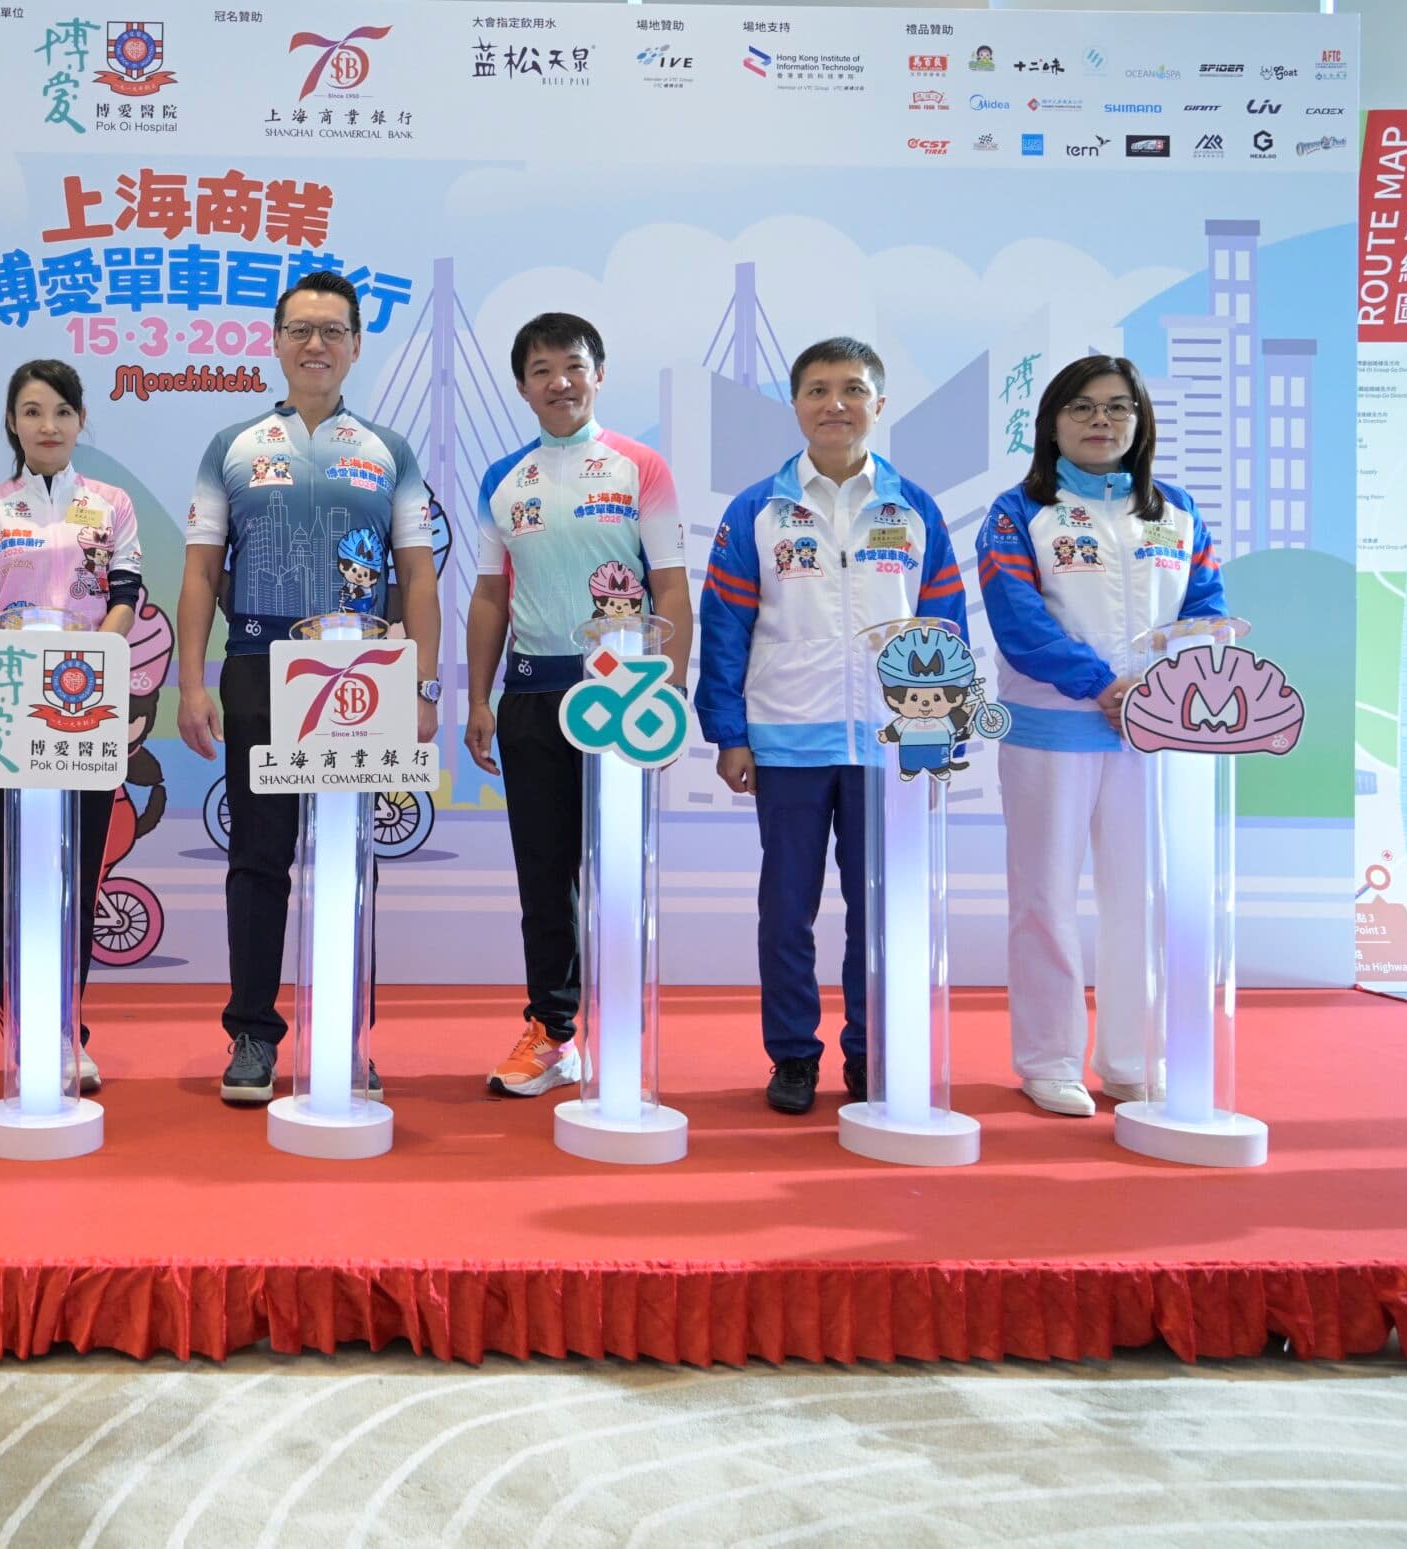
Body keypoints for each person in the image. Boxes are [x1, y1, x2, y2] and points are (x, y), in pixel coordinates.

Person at [174, 270, 442, 1104]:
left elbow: (418, 577)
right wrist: (190, 683)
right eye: (300, 329)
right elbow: (200, 572)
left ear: (356, 345)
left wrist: (425, 685)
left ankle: (346, 1038)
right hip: (258, 666)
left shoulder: (389, 451)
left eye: (332, 330)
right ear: (276, 341)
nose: (316, 344)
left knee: (349, 857)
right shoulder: (233, 445)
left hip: (362, 675)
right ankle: (253, 1034)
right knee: (258, 858)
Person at [694, 338, 968, 1116]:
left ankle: (869, 1049)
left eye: (852, 388)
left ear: (879, 404)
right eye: (817, 389)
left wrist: (941, 734)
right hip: (786, 739)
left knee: (879, 907)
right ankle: (792, 1053)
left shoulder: (915, 509)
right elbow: (725, 629)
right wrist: (729, 732)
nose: (835, 403)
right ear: (795, 404)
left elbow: (945, 626)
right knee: (787, 909)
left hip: (890, 744)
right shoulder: (757, 511)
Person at [976, 355, 1225, 1117]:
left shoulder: (1176, 511)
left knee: (1141, 897)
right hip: (1050, 730)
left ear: (1140, 421)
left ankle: (1132, 1057)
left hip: (1152, 733)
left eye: (1118, 407)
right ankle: (1049, 1059)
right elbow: (1019, 621)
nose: (1100, 420)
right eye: (1081, 407)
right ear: (1052, 422)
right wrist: (1101, 684)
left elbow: (1207, 608)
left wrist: (1163, 687)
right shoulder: (1019, 512)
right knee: (1045, 896)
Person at [462, 313, 688, 1098]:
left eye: (574, 366)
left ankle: (620, 1028)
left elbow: (670, 588)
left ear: (598, 374)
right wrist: (479, 698)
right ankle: (554, 1033)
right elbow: (489, 596)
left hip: (621, 697)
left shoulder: (639, 466)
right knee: (544, 875)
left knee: (618, 870)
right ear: (523, 386)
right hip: (530, 694)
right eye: (542, 370)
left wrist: (667, 692)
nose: (560, 381)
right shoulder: (503, 479)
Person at [0, 360, 143, 1090]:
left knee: (76, 875)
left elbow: (126, 593)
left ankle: (66, 1029)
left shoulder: (111, 504)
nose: (48, 425)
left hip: (85, 704)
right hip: (7, 701)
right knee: (12, 874)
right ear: (12, 422)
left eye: (62, 411)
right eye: (32, 411)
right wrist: (7, 655)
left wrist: (93, 656)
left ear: (81, 419)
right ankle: (24, 1032)